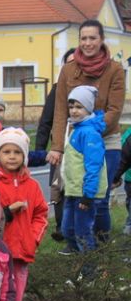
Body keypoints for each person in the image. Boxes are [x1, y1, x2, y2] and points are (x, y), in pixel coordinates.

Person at [49, 20, 125, 243]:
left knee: (99, 198)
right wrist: (57, 147)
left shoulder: (115, 69)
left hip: (106, 139)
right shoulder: (68, 70)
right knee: (74, 195)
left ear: (101, 40)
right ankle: (77, 248)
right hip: (76, 141)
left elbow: (114, 109)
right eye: (84, 38)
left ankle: (101, 248)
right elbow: (60, 110)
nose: (88, 43)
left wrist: (91, 129)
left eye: (93, 38)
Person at [0, 128, 48, 301]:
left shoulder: (32, 186)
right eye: (6, 151)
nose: (12, 156)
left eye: (17, 152)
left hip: (21, 254)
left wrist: (33, 238)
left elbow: (41, 214)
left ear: (24, 156)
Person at [37, 49, 77, 241]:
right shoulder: (57, 89)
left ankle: (78, 228)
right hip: (60, 148)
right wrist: (39, 151)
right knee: (58, 187)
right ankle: (61, 227)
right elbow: (46, 121)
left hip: (81, 147)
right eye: (69, 63)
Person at [61, 86, 107, 254]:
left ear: (89, 108)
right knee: (67, 229)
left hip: (85, 193)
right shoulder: (77, 129)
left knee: (82, 232)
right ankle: (77, 261)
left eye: (79, 107)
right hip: (73, 191)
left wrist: (88, 195)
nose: (74, 111)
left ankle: (89, 266)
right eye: (71, 107)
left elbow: (93, 165)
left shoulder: (89, 133)